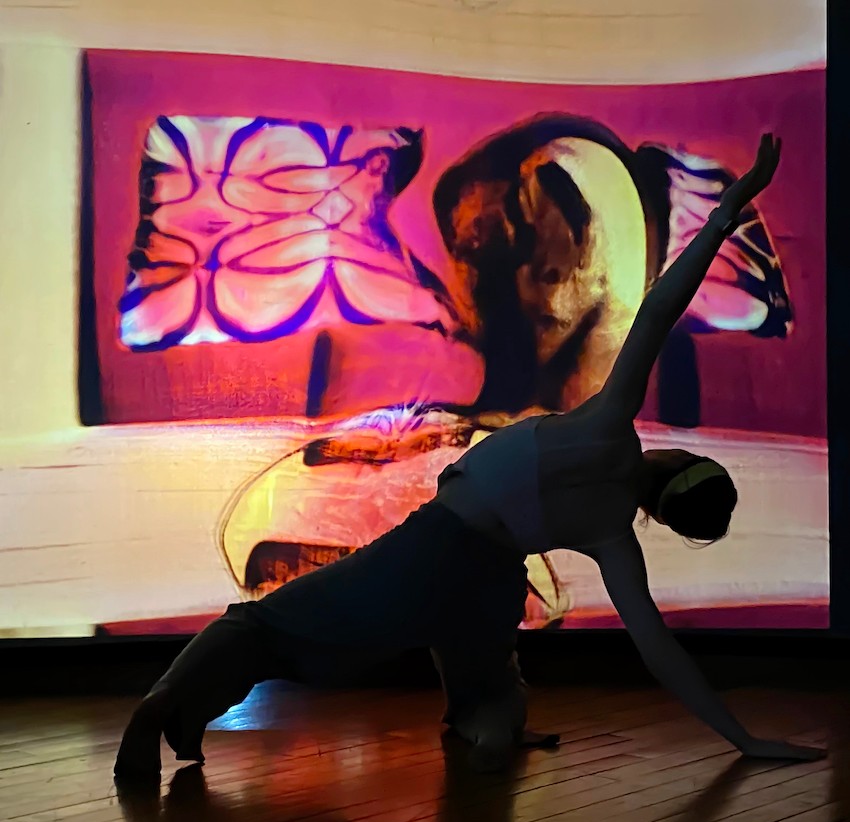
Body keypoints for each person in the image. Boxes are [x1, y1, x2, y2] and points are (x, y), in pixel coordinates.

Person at [114, 134, 824, 783]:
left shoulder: (610, 425)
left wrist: (735, 199)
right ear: (665, 516)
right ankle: (486, 731)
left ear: (673, 463)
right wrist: (741, 739)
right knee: (490, 693)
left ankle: (164, 704)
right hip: (486, 586)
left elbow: (664, 301)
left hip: (438, 545)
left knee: (263, 625)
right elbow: (661, 654)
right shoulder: (612, 534)